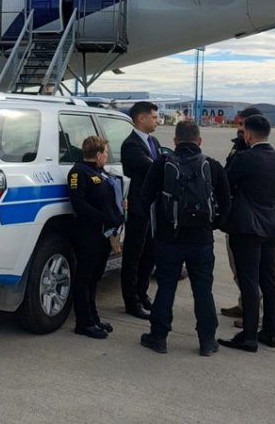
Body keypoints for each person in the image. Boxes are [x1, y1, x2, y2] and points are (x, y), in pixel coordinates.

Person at [137, 121, 230, 356]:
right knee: (203, 289)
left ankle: (158, 337)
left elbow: (144, 198)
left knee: (166, 286)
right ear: (199, 141)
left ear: (175, 142)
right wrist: (211, 225)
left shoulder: (162, 164)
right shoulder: (212, 165)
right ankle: (207, 341)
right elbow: (226, 205)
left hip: (169, 238)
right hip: (201, 240)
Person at [219, 114, 275, 352]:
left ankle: (248, 336)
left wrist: (235, 154)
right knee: (269, 280)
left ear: (247, 134)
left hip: (247, 227)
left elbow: (225, 182)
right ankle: (270, 332)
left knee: (248, 280)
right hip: (271, 225)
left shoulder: (246, 158)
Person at [67, 135, 125, 339]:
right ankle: (83, 322)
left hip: (105, 234)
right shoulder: (79, 172)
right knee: (84, 278)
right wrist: (103, 218)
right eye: (106, 153)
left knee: (95, 277)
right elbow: (79, 203)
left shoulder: (102, 173)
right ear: (98, 154)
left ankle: (94, 317)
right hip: (88, 233)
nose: (107, 157)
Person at [219, 106, 263, 321]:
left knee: (246, 269)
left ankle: (252, 313)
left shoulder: (250, 153)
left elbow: (230, 180)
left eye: (241, 125)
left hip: (245, 220)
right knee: (237, 266)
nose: (238, 129)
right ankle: (244, 303)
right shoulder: (239, 146)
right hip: (237, 215)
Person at [120, 101, 161, 319]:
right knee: (133, 256)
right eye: (153, 117)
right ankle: (131, 301)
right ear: (141, 118)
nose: (157, 120)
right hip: (138, 208)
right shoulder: (131, 145)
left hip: (153, 208)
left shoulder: (153, 141)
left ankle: (142, 294)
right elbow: (152, 167)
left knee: (150, 254)